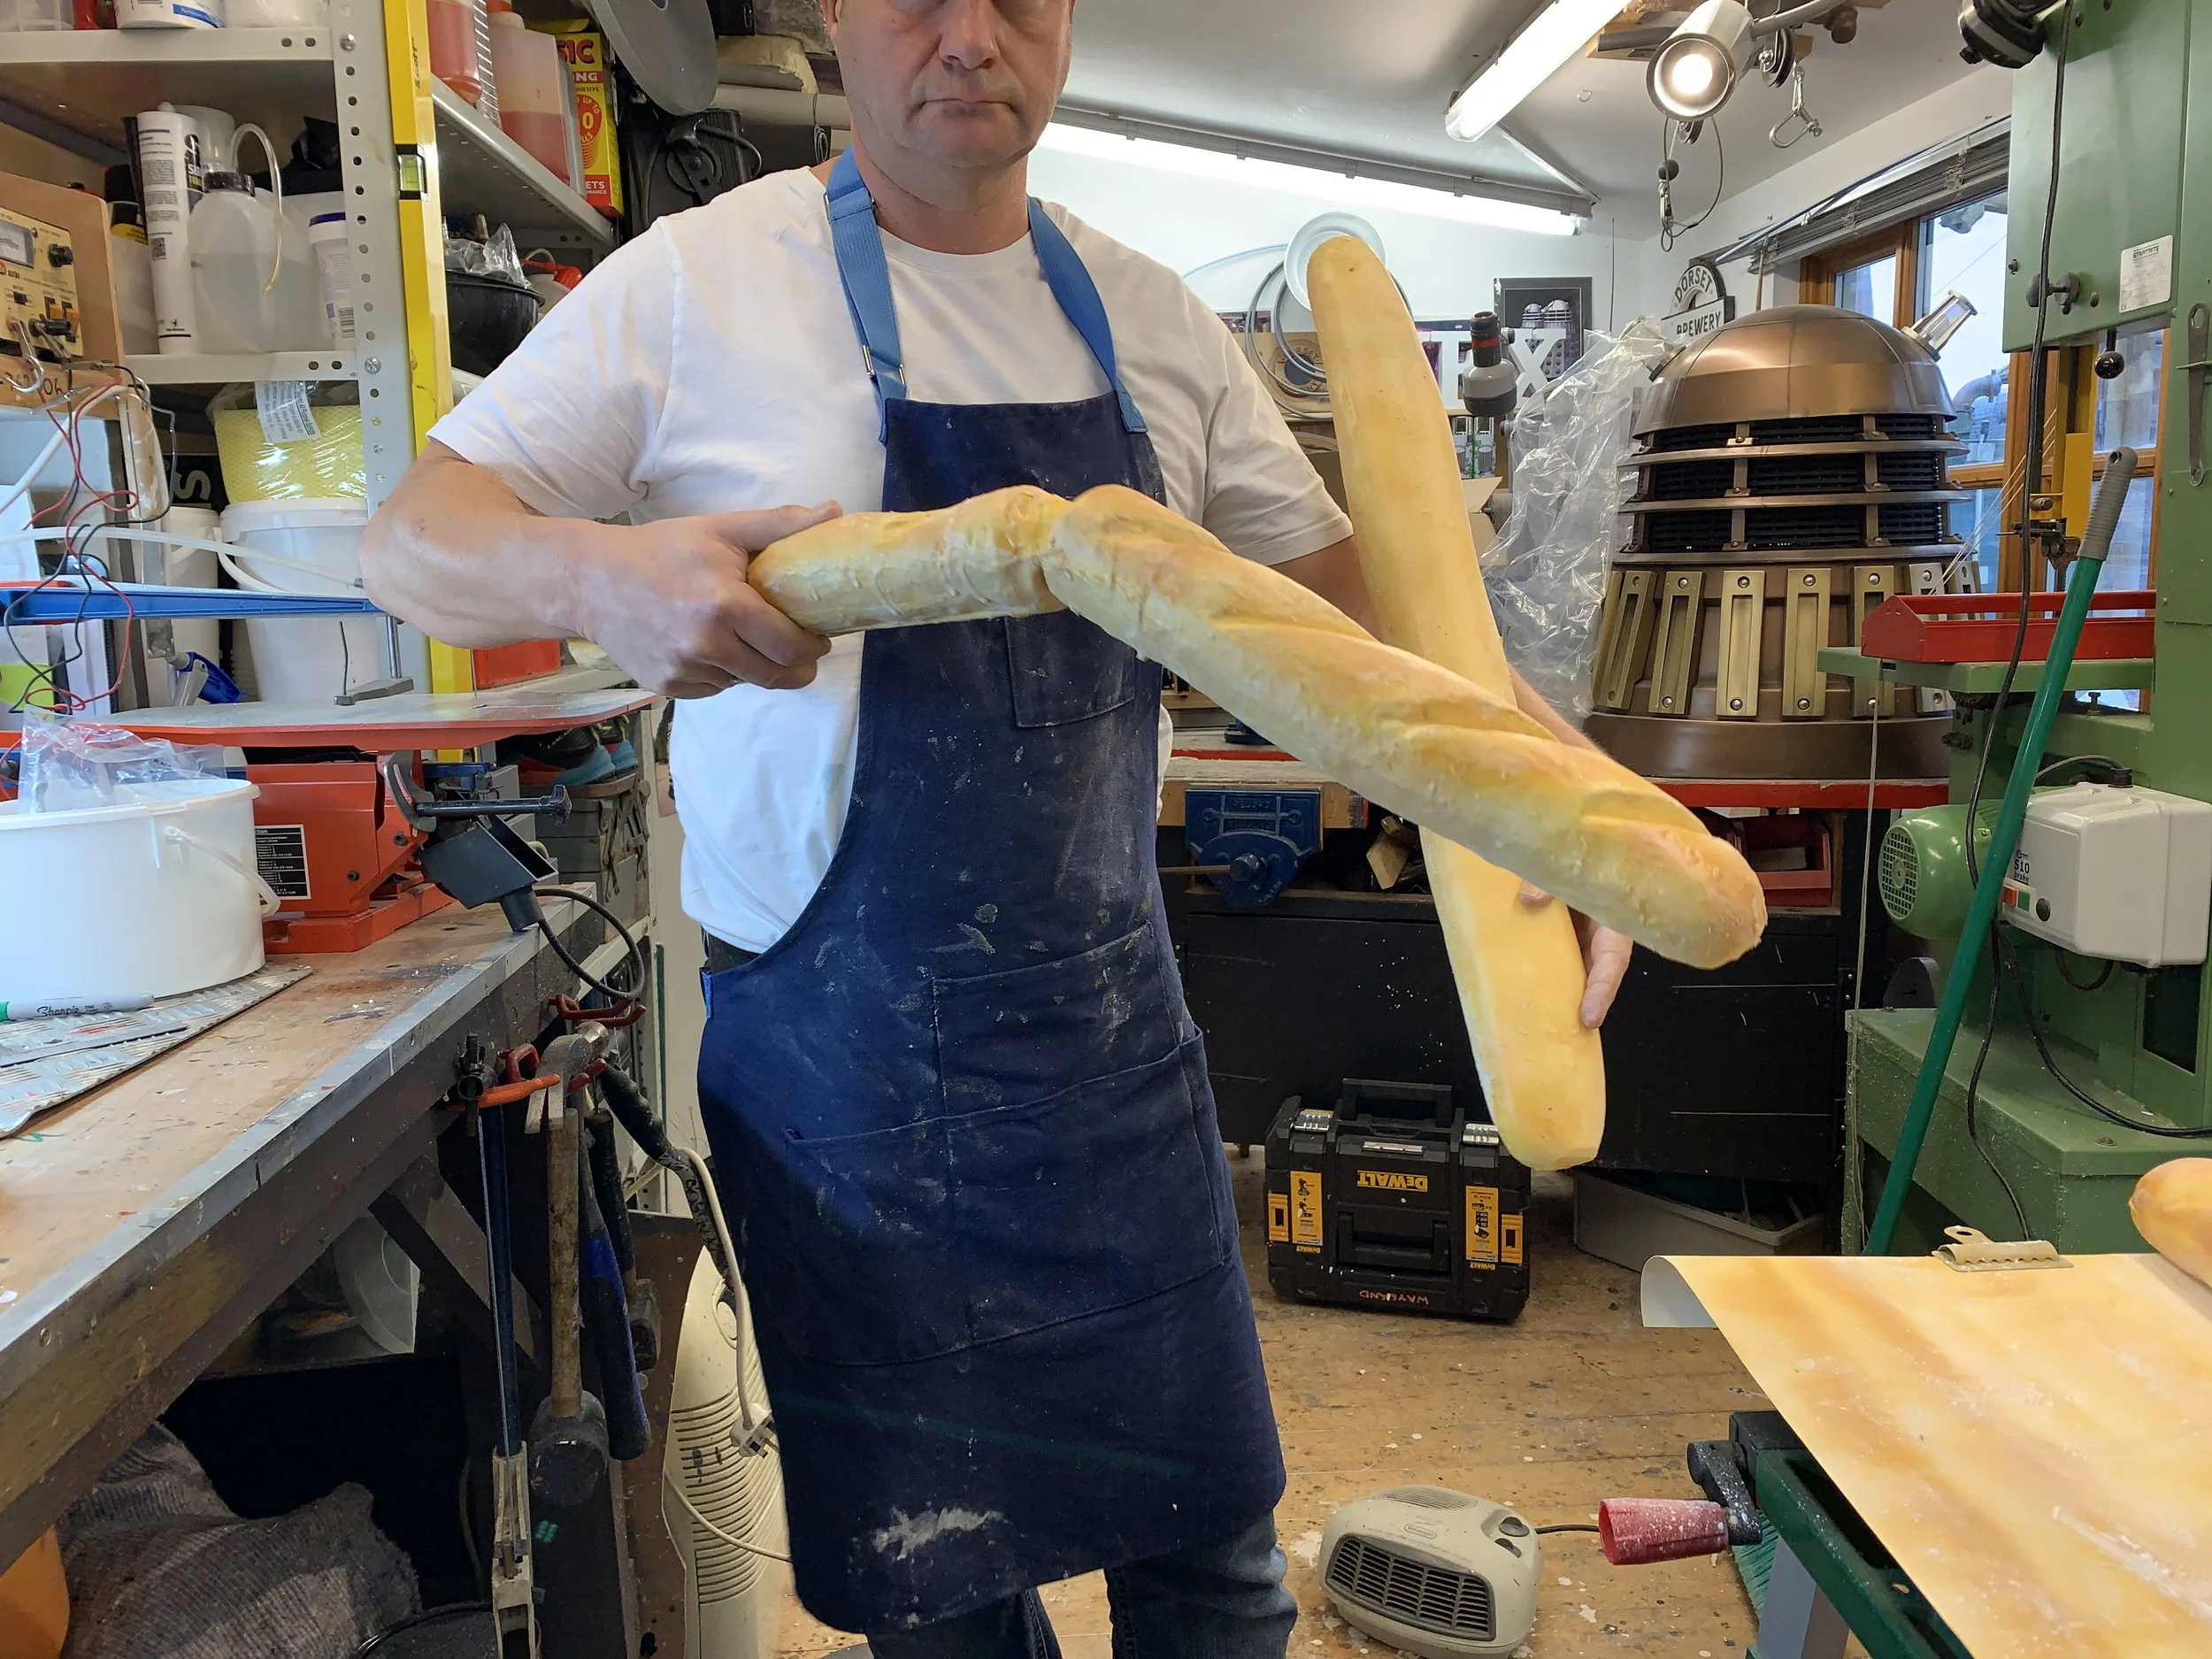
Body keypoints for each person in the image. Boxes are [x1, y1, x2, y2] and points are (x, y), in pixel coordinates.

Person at [360, 1, 1628, 1649]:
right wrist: (593, 572)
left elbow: (1382, 643)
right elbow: (410, 535)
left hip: (1108, 1066)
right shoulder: (692, 285)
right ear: (833, 11)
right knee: (949, 1608)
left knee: (1220, 1579)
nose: (969, 36)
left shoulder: (1155, 324)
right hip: (844, 1097)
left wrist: (1577, 808)